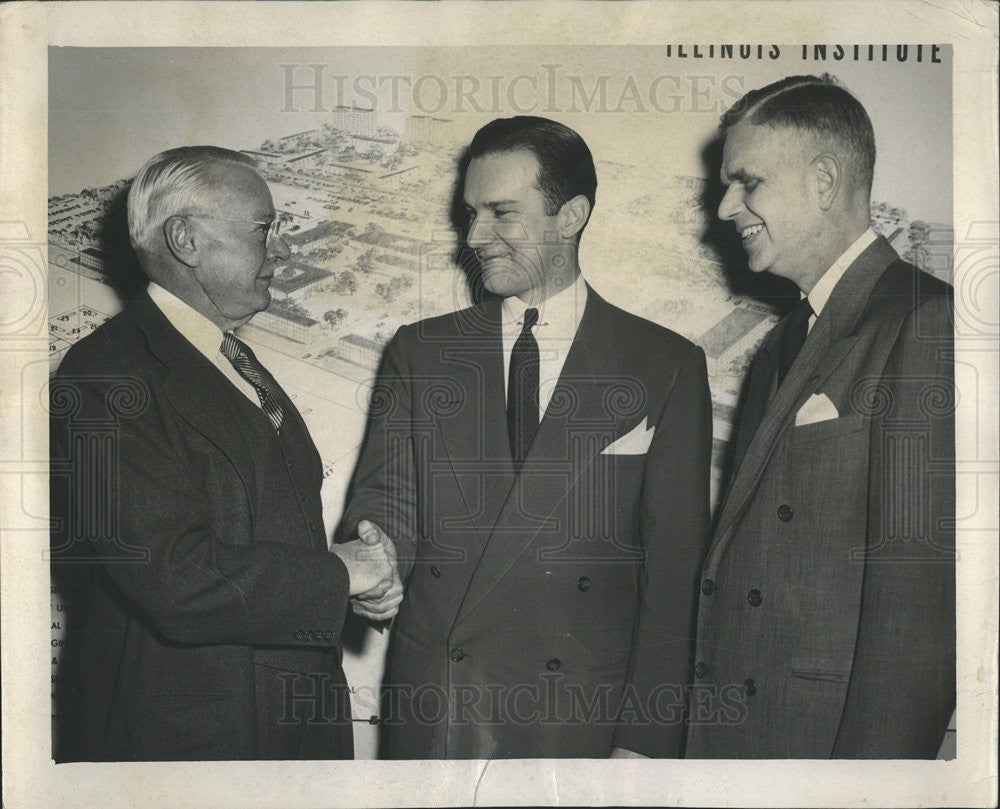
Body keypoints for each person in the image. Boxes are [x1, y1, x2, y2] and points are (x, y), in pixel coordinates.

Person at [342, 116, 712, 758]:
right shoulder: (421, 350)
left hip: (578, 718)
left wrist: (646, 741)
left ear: (569, 216)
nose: (474, 236)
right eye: (470, 213)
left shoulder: (666, 365)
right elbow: (388, 499)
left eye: (500, 213)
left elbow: (675, 574)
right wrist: (378, 564)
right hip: (439, 707)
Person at [49, 146, 398, 761]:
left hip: (286, 724)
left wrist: (352, 585)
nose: (283, 250)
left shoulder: (227, 358)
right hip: (189, 742)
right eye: (265, 231)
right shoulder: (106, 374)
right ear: (185, 239)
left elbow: (263, 533)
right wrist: (341, 572)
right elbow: (173, 576)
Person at [686, 75, 955, 758]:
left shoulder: (925, 321)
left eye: (747, 182)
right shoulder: (785, 339)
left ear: (825, 179)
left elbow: (918, 624)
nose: (725, 207)